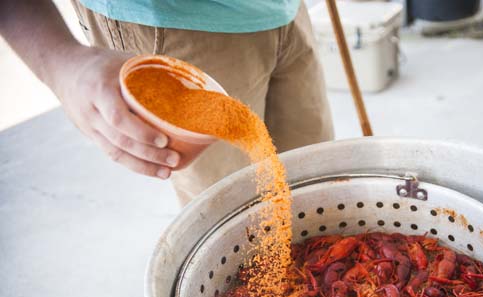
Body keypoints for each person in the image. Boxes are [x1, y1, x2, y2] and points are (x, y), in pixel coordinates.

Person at [0, 1, 334, 205]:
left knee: (316, 181)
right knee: (233, 217)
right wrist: (58, 61)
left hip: (285, 10)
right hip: (173, 26)